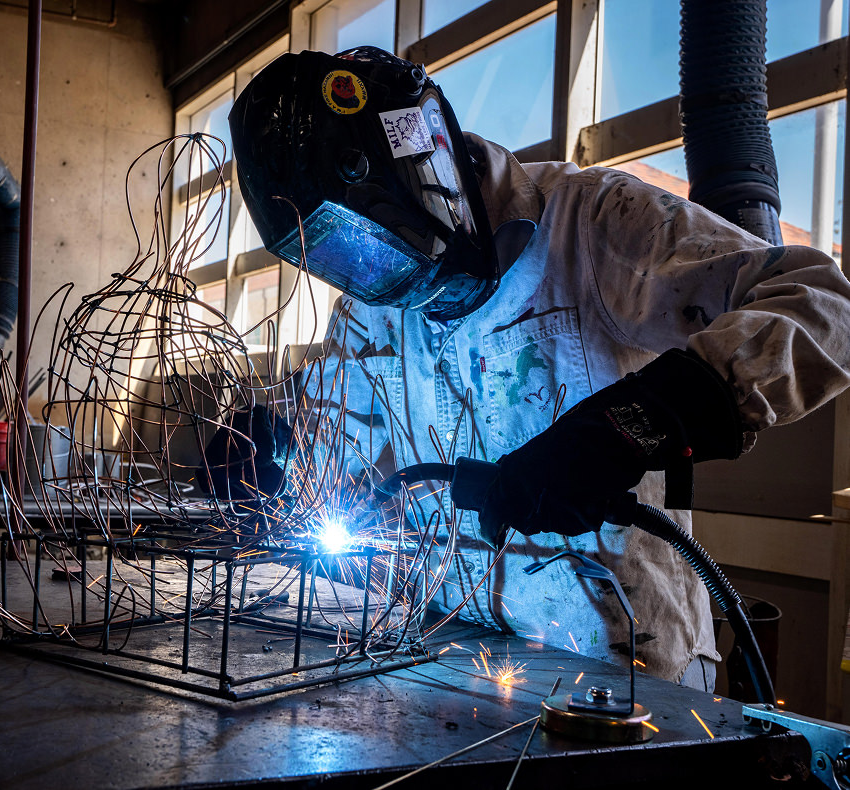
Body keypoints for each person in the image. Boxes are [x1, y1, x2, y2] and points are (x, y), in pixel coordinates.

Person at [224, 46, 850, 690]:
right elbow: (336, 439)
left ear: (428, 166)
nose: (390, 286)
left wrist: (644, 418)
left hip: (624, 673)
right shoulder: (370, 302)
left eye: (383, 245)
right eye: (345, 261)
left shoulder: (596, 223)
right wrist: (272, 442)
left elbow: (827, 303)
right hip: (459, 664)